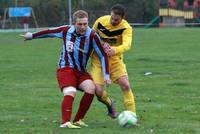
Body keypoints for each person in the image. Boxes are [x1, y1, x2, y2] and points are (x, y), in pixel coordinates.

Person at [23, 10, 111, 129]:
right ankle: (65, 122)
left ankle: (78, 120)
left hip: (80, 71)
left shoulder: (92, 35)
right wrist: (32, 36)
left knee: (91, 88)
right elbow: (49, 32)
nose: (83, 27)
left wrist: (106, 75)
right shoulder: (65, 30)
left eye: (85, 24)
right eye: (80, 24)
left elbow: (102, 55)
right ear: (74, 23)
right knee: (70, 91)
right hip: (65, 68)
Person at [90, 4, 137, 118]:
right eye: (112, 17)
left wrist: (114, 50)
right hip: (98, 60)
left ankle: (132, 117)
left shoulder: (126, 28)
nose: (113, 21)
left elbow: (127, 45)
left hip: (115, 60)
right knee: (98, 92)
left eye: (116, 20)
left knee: (126, 85)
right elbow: (90, 37)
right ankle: (110, 104)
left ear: (122, 18)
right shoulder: (100, 21)